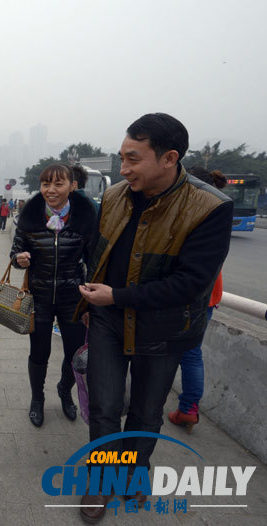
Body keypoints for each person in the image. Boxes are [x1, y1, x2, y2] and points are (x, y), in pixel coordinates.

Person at [76, 113, 233, 523]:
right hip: (109, 320)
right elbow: (98, 252)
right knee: (105, 406)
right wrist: (93, 299)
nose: (123, 169)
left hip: (165, 329)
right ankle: (100, 480)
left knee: (146, 411)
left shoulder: (210, 207)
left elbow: (192, 284)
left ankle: (132, 469)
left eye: (133, 159)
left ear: (169, 158)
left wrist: (119, 296)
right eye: (121, 158)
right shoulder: (114, 196)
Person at [10, 164, 96, 427]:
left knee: (74, 353)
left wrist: (92, 299)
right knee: (39, 352)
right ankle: (37, 399)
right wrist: (19, 258)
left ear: (72, 186)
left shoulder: (85, 218)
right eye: (46, 184)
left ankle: (64, 390)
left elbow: (95, 260)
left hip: (74, 298)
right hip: (39, 297)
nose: (51, 190)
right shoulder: (31, 216)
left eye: (58, 184)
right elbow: (15, 252)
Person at [168, 166, 228, 433]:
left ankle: (152, 400)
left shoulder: (190, 211)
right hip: (210, 294)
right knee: (192, 354)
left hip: (184, 295)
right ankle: (189, 409)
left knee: (167, 351)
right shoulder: (217, 211)